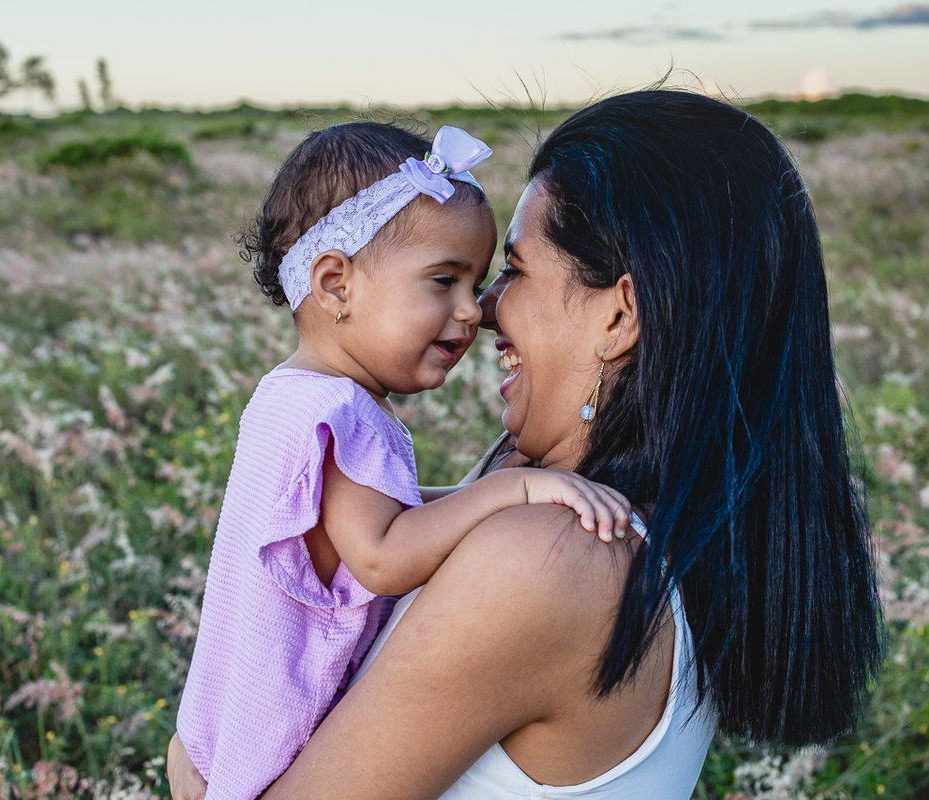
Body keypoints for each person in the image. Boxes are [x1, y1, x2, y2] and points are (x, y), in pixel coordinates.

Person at [169, 90, 885, 799]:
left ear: (619, 314)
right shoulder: (601, 510)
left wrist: (190, 771)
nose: (479, 312)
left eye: (509, 271)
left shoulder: (554, 560)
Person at [174, 121, 633, 800]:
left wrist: (485, 491)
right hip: (277, 729)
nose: (473, 310)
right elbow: (383, 554)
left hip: (223, 713)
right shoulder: (344, 414)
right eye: (443, 280)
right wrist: (511, 493)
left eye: (475, 281)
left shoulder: (289, 397)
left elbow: (373, 514)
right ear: (336, 284)